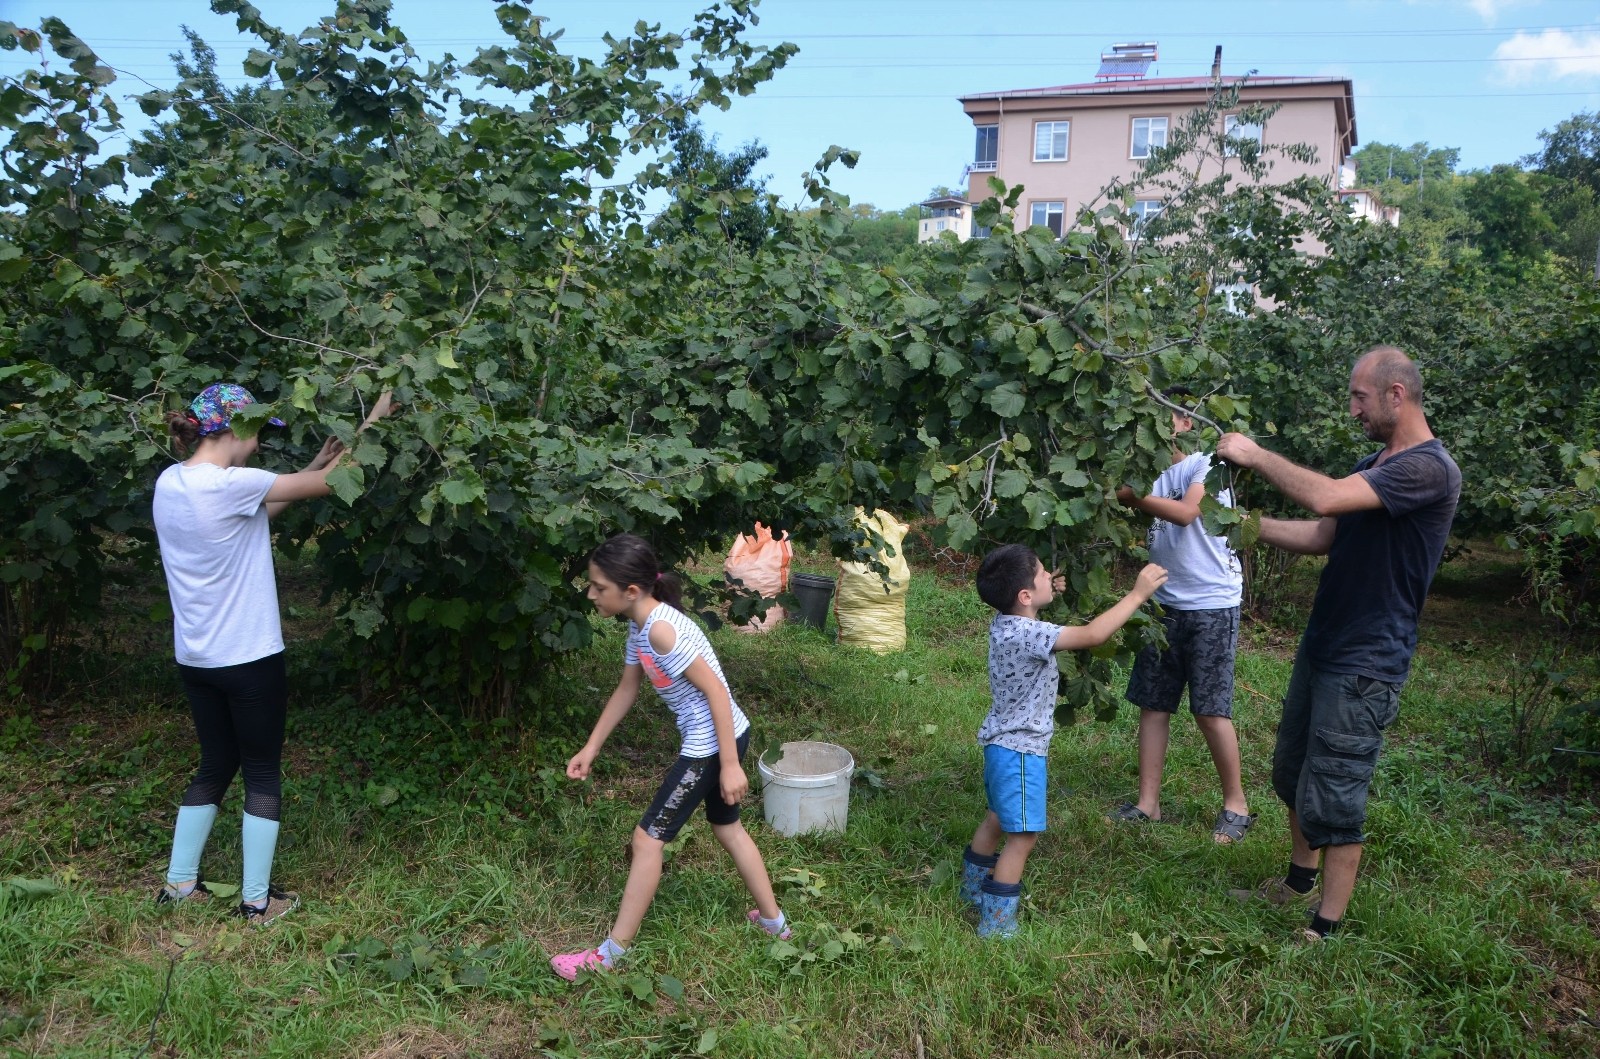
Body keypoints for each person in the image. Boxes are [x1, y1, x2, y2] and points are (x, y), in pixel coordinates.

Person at [1217, 345, 1459, 942]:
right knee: (1294, 771)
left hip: (1367, 657)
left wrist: (1255, 456)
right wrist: (1235, 524)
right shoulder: (1375, 462)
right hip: (1326, 642)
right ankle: (1298, 881)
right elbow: (1325, 533)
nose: (1353, 408)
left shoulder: (1429, 468)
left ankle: (1324, 927)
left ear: (1395, 395)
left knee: (1336, 787)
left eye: (1359, 397)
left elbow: (1325, 497)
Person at [153, 382, 392, 926]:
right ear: (236, 429)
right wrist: (374, 416)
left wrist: (310, 462)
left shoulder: (171, 482)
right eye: (258, 432)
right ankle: (258, 902)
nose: (260, 444)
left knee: (215, 763)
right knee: (261, 772)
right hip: (250, 660)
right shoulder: (233, 483)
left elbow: (253, 513)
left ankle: (178, 884)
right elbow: (336, 483)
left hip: (197, 660)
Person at [551, 533, 789, 980]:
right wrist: (591, 746)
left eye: (599, 587)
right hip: (726, 736)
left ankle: (608, 957)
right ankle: (775, 923)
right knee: (728, 828)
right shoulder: (640, 626)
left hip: (712, 744)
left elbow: (717, 691)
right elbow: (628, 688)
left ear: (632, 591)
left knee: (647, 841)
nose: (590, 594)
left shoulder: (661, 630)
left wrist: (731, 766)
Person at [960, 544, 1168, 938]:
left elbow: (1032, 612)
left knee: (995, 818)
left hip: (999, 746)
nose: (1048, 578)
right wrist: (1137, 594)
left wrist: (1044, 588)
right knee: (1022, 836)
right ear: (1024, 596)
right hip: (1022, 752)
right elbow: (1093, 634)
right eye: (1041, 575)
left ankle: (971, 891)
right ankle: (996, 926)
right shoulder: (1032, 634)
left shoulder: (1006, 625)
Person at [1110, 397, 1251, 843]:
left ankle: (1236, 805)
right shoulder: (1146, 470)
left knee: (1210, 709)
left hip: (1211, 603)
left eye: (1161, 415)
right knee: (1154, 704)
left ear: (1185, 421)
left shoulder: (1205, 464)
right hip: (1164, 602)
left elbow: (1190, 512)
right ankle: (1147, 804)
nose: (1148, 424)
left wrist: (1135, 497)